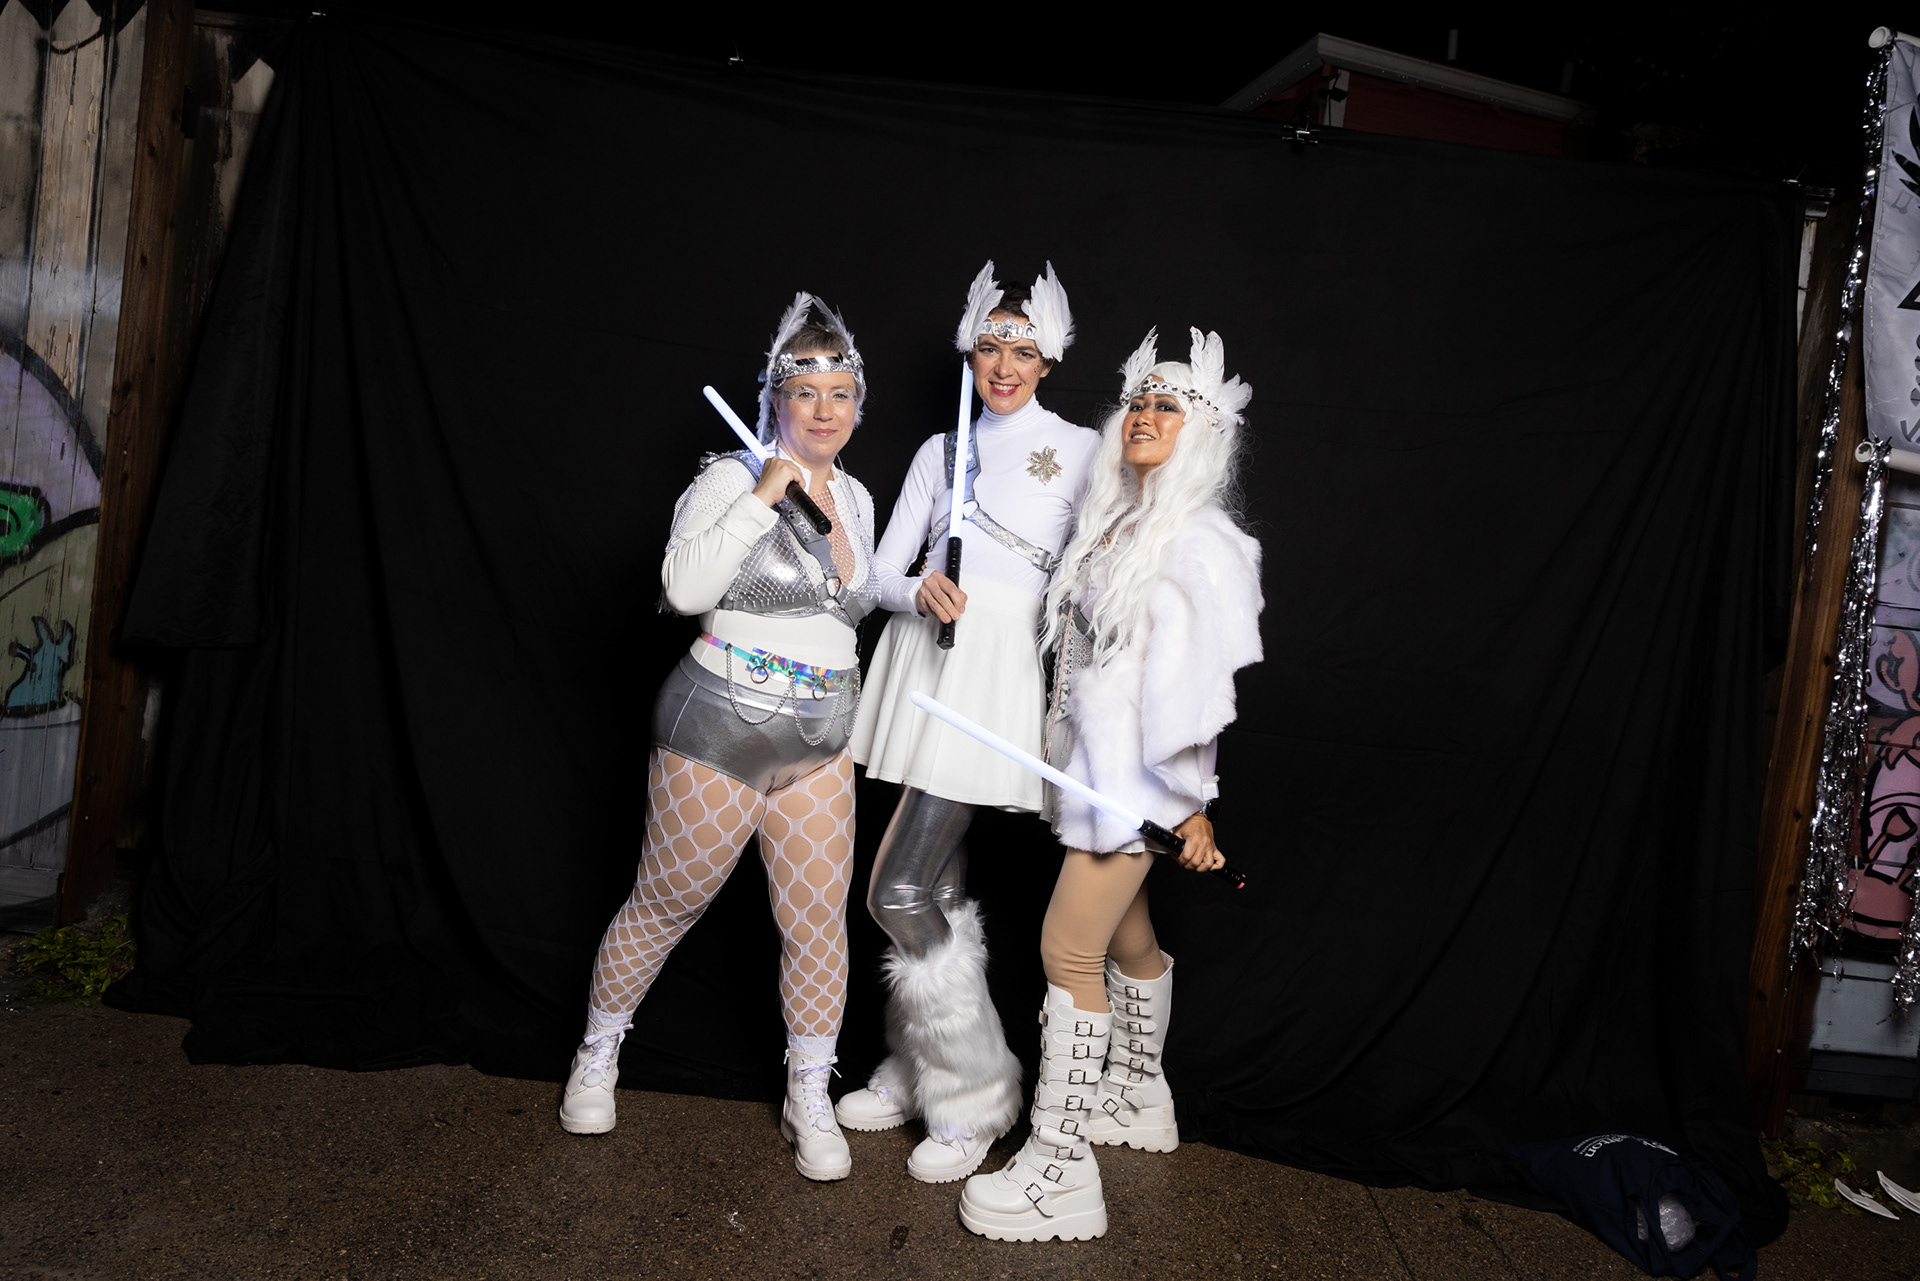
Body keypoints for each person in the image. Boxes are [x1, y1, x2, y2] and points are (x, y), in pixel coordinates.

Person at [558, 295, 879, 1184]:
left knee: (816, 923)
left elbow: (851, 605)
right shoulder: (729, 476)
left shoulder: (856, 495)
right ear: (775, 398)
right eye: (805, 391)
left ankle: (809, 1090)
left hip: (823, 733)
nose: (824, 409)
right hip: (721, 722)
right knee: (667, 902)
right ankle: (597, 1053)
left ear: (858, 406)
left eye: (841, 393)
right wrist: (763, 495)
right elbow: (685, 589)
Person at [958, 327, 1264, 1241]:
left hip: (1139, 783)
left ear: (1202, 433)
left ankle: (1060, 1169)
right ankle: (1139, 1093)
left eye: (1169, 406)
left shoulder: (1203, 540)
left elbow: (1199, 688)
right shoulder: (1119, 520)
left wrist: (1194, 805)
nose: (1146, 415)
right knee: (1129, 936)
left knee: (1066, 949)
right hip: (1094, 771)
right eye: (1139, 401)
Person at [836, 263, 1101, 1183]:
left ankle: (979, 1090)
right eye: (990, 346)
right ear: (970, 352)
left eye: (1023, 350)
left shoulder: (1079, 449)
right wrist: (918, 587)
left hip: (992, 677)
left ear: (1048, 360)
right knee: (937, 893)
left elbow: (1102, 573)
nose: (1004, 365)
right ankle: (922, 1069)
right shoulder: (939, 450)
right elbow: (873, 574)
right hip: (924, 662)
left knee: (896, 892)